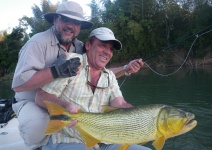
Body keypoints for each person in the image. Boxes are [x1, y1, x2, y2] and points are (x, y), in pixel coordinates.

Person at [12, 1, 143, 149]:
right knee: (37, 125)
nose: (70, 25)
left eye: (76, 22)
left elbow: (97, 69)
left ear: (80, 27)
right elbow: (17, 85)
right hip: (29, 99)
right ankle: (37, 147)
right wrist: (56, 72)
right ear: (55, 19)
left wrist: (125, 68)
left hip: (61, 103)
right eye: (65, 19)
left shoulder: (79, 46)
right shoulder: (37, 42)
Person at [35, 27, 150, 150]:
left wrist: (144, 118)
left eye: (111, 49)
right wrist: (65, 106)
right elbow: (40, 97)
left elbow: (120, 103)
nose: (108, 52)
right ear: (88, 45)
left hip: (104, 141)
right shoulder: (71, 62)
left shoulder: (109, 76)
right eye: (103, 46)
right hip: (69, 139)